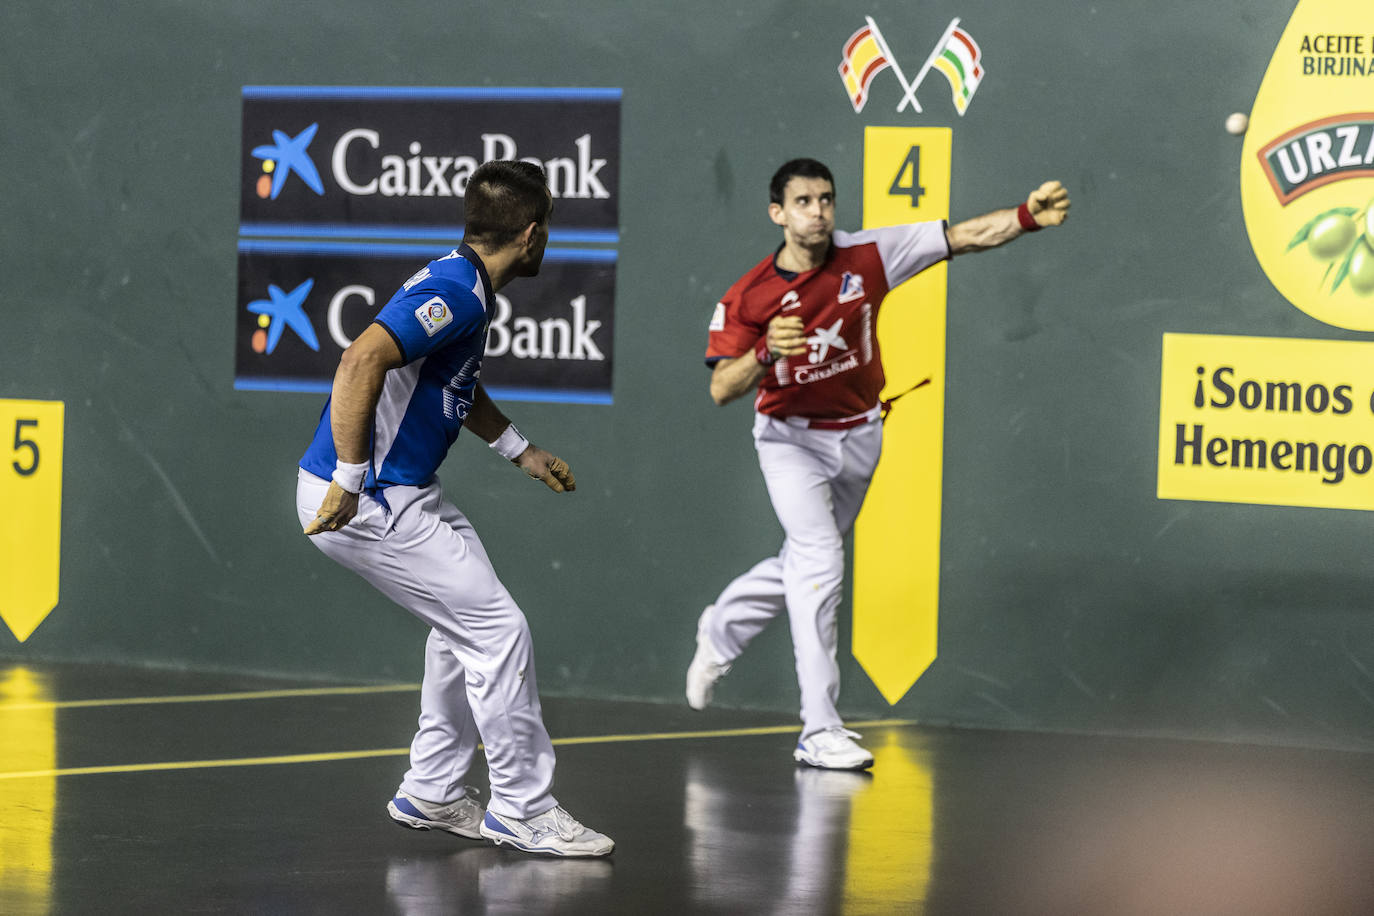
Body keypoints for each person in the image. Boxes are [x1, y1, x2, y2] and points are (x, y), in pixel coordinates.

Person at [689, 158, 1070, 770]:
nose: (818, 211)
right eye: (804, 201)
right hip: (790, 441)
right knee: (820, 563)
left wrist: (1027, 218)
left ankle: (721, 630)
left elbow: (963, 237)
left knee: (802, 563)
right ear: (777, 213)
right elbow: (722, 388)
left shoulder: (868, 256)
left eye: (826, 199)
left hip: (861, 433)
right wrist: (765, 349)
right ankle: (819, 731)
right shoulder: (749, 295)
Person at [296, 159, 613, 857]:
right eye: (548, 231)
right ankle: (523, 809)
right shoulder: (455, 291)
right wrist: (350, 478)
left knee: (461, 625)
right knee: (497, 632)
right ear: (531, 237)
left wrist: (520, 450)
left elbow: (451, 384)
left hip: (403, 492)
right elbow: (360, 360)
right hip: (374, 499)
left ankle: (433, 790)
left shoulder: (463, 282)